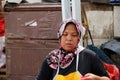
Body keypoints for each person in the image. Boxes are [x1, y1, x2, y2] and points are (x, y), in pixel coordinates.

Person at [35, 18, 110, 80]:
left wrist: (97, 78)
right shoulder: (51, 59)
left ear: (78, 38)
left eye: (74, 35)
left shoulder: (89, 57)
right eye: (65, 34)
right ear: (59, 36)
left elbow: (107, 79)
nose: (69, 39)